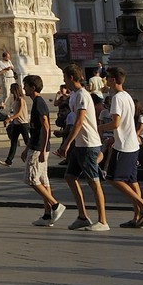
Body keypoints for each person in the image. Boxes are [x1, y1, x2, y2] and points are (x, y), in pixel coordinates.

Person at [56, 63, 109, 231]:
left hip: (89, 144)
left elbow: (79, 121)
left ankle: (102, 221)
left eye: (65, 77)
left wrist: (66, 143)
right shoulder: (74, 95)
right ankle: (82, 216)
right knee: (70, 177)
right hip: (80, 144)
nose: (64, 80)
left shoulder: (83, 95)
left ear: (71, 77)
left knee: (94, 182)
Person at [100, 66, 143, 229]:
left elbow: (115, 123)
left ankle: (142, 204)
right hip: (132, 144)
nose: (105, 80)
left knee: (114, 179)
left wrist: (98, 127)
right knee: (132, 180)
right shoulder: (127, 96)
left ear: (113, 79)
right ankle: (137, 217)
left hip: (123, 145)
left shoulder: (116, 98)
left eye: (107, 77)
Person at [20, 75, 64, 225]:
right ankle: (47, 214)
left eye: (26, 86)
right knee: (43, 179)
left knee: (31, 179)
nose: (24, 88)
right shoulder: (37, 102)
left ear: (33, 87)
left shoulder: (39, 103)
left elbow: (46, 126)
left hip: (38, 147)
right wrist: (26, 148)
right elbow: (36, 130)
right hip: (37, 145)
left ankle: (55, 205)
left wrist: (42, 149)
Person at [2, 83, 30, 165]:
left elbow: (19, 113)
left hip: (23, 123)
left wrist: (10, 118)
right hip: (16, 123)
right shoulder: (15, 99)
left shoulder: (21, 99)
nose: (10, 90)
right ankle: (9, 160)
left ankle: (32, 156)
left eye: (11, 88)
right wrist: (11, 118)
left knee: (27, 141)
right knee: (13, 142)